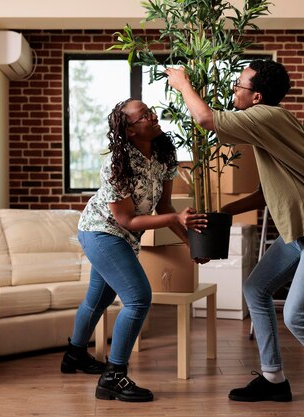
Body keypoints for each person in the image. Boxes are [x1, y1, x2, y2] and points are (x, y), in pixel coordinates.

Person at [166, 60, 304, 417]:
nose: (233, 90)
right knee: (256, 289)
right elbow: (266, 192)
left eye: (239, 85)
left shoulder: (268, 117)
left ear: (256, 96)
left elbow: (206, 120)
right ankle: (274, 379)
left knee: (298, 315)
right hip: (302, 228)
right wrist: (227, 209)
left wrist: (182, 84)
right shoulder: (270, 126)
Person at [60, 98, 207, 402]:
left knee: (98, 298)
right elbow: (126, 219)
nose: (153, 117)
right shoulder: (117, 164)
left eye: (151, 112)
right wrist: (176, 219)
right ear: (128, 130)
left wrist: (189, 242)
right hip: (100, 232)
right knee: (139, 299)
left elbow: (165, 207)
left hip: (123, 236)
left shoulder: (164, 154)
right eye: (144, 116)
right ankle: (113, 378)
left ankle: (74, 354)